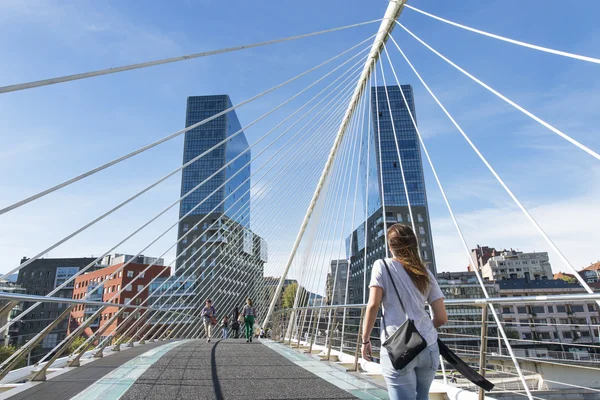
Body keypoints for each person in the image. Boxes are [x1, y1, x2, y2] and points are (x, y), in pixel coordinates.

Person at [361, 224, 448, 400]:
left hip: (398, 347)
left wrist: (365, 340)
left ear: (390, 245)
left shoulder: (382, 265)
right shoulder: (425, 273)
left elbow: (373, 305)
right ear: (414, 244)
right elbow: (441, 317)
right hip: (429, 347)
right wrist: (422, 331)